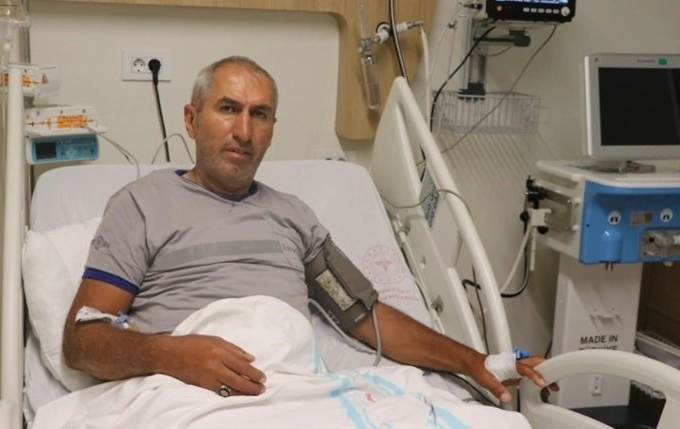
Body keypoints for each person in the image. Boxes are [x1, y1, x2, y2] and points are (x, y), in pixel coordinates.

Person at [62, 55, 552, 405]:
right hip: (185, 394)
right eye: (228, 108)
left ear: (272, 128)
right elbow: (82, 342)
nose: (244, 131)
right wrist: (172, 356)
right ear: (192, 120)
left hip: (292, 393)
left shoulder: (292, 217)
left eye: (259, 115)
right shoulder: (142, 205)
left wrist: (473, 361)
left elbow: (364, 316)